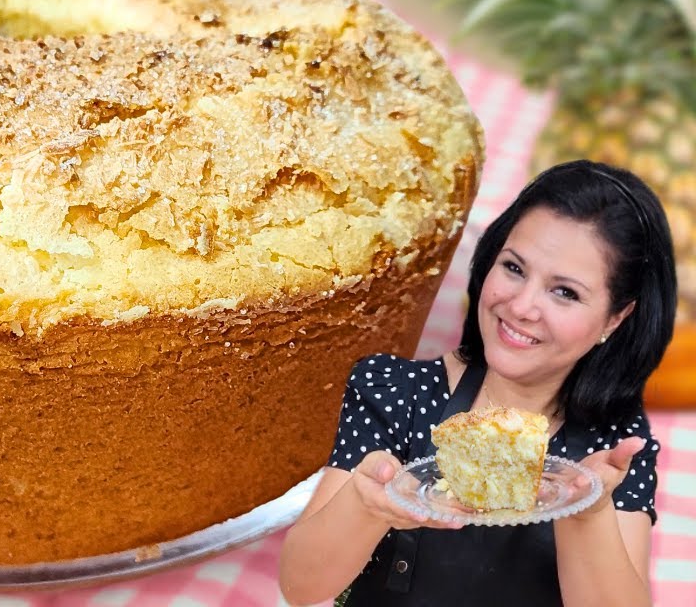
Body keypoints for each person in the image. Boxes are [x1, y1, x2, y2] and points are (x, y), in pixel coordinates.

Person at [278, 160, 678, 606]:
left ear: (616, 317)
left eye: (565, 292)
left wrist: (590, 510)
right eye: (514, 268)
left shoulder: (613, 445)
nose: (522, 305)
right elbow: (301, 586)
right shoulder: (395, 392)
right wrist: (367, 505)